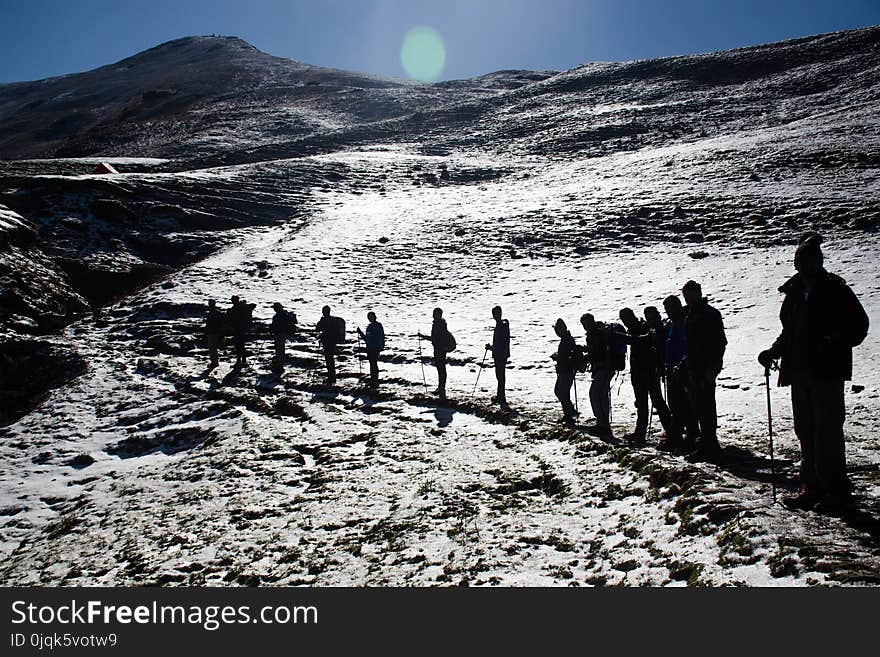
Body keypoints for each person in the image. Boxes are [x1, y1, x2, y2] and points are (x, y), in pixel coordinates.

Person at [758, 232, 869, 512]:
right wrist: (774, 351)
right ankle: (811, 486)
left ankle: (835, 490)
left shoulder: (835, 289)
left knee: (827, 430)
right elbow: (791, 332)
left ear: (819, 261)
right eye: (802, 260)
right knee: (805, 430)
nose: (806, 264)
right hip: (799, 371)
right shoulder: (795, 293)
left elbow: (859, 325)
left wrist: (834, 340)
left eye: (811, 259)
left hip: (826, 371)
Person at [681, 280, 727, 462]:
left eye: (691, 294)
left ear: (698, 293)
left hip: (705, 367)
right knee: (699, 407)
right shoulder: (690, 315)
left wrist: (712, 368)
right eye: (686, 295)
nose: (689, 298)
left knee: (707, 406)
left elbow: (719, 342)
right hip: (693, 367)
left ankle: (710, 445)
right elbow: (689, 345)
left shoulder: (710, 314)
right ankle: (707, 443)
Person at [619, 307, 675, 444]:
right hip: (640, 371)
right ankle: (642, 432)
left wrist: (622, 337)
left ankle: (671, 432)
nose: (626, 322)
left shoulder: (643, 328)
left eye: (626, 318)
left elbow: (640, 341)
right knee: (644, 402)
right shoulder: (642, 327)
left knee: (656, 401)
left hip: (649, 370)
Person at [662, 295, 698, 450]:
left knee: (683, 405)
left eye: (670, 309)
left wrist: (681, 366)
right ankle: (682, 436)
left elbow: (687, 346)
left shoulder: (684, 322)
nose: (668, 312)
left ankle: (686, 437)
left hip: (683, 369)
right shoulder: (674, 323)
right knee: (677, 405)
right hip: (672, 369)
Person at [580, 313, 613, 437]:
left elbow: (597, 352)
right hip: (604, 368)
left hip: (603, 368)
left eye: (586, 324)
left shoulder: (597, 334)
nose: (585, 326)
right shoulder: (599, 332)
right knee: (601, 395)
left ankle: (603, 425)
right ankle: (603, 424)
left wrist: (586, 351)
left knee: (595, 394)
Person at [419, 308, 454, 400]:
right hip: (439, 349)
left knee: (441, 369)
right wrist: (424, 337)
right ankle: (441, 388)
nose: (434, 315)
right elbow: (435, 338)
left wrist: (425, 337)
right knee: (440, 368)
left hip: (440, 350)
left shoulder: (439, 325)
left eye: (435, 314)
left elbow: (437, 338)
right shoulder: (439, 324)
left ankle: (441, 388)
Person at [551, 318, 578, 424]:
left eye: (557, 330)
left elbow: (566, 356)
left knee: (561, 391)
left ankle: (568, 414)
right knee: (561, 391)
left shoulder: (566, 340)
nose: (556, 332)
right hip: (566, 370)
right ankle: (570, 410)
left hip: (566, 370)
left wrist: (557, 357)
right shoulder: (567, 338)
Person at [485, 305, 511, 410]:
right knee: (500, 375)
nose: (495, 316)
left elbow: (500, 343)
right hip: (501, 354)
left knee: (500, 375)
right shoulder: (502, 325)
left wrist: (492, 348)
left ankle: (501, 396)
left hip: (500, 355)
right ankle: (500, 395)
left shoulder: (501, 326)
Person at [316, 305, 343, 385]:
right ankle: (332, 377)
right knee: (330, 359)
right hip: (332, 341)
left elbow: (317, 328)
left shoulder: (324, 320)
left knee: (329, 359)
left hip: (327, 342)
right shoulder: (333, 320)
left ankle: (331, 377)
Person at [357, 311, 385, 388]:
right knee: (373, 364)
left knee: (373, 364)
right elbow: (382, 337)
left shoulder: (372, 327)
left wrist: (361, 333)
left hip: (372, 348)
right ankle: (374, 379)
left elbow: (367, 339)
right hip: (375, 347)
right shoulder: (378, 325)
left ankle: (374, 380)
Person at [229, 295, 255, 368]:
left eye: (233, 300)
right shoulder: (241, 307)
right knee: (240, 345)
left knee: (238, 346)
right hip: (241, 329)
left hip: (238, 329)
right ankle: (242, 361)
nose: (232, 301)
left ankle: (240, 361)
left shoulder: (237, 308)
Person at [270, 302, 294, 369]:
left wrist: (271, 329)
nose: (274, 309)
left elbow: (276, 325)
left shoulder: (277, 316)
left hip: (279, 334)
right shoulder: (284, 315)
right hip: (282, 333)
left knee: (279, 348)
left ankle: (280, 363)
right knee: (280, 348)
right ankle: (280, 362)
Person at [204, 299, 223, 369]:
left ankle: (214, 362)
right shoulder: (215, 312)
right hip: (214, 332)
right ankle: (214, 361)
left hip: (213, 332)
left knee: (212, 347)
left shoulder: (213, 313)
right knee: (213, 347)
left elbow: (211, 323)